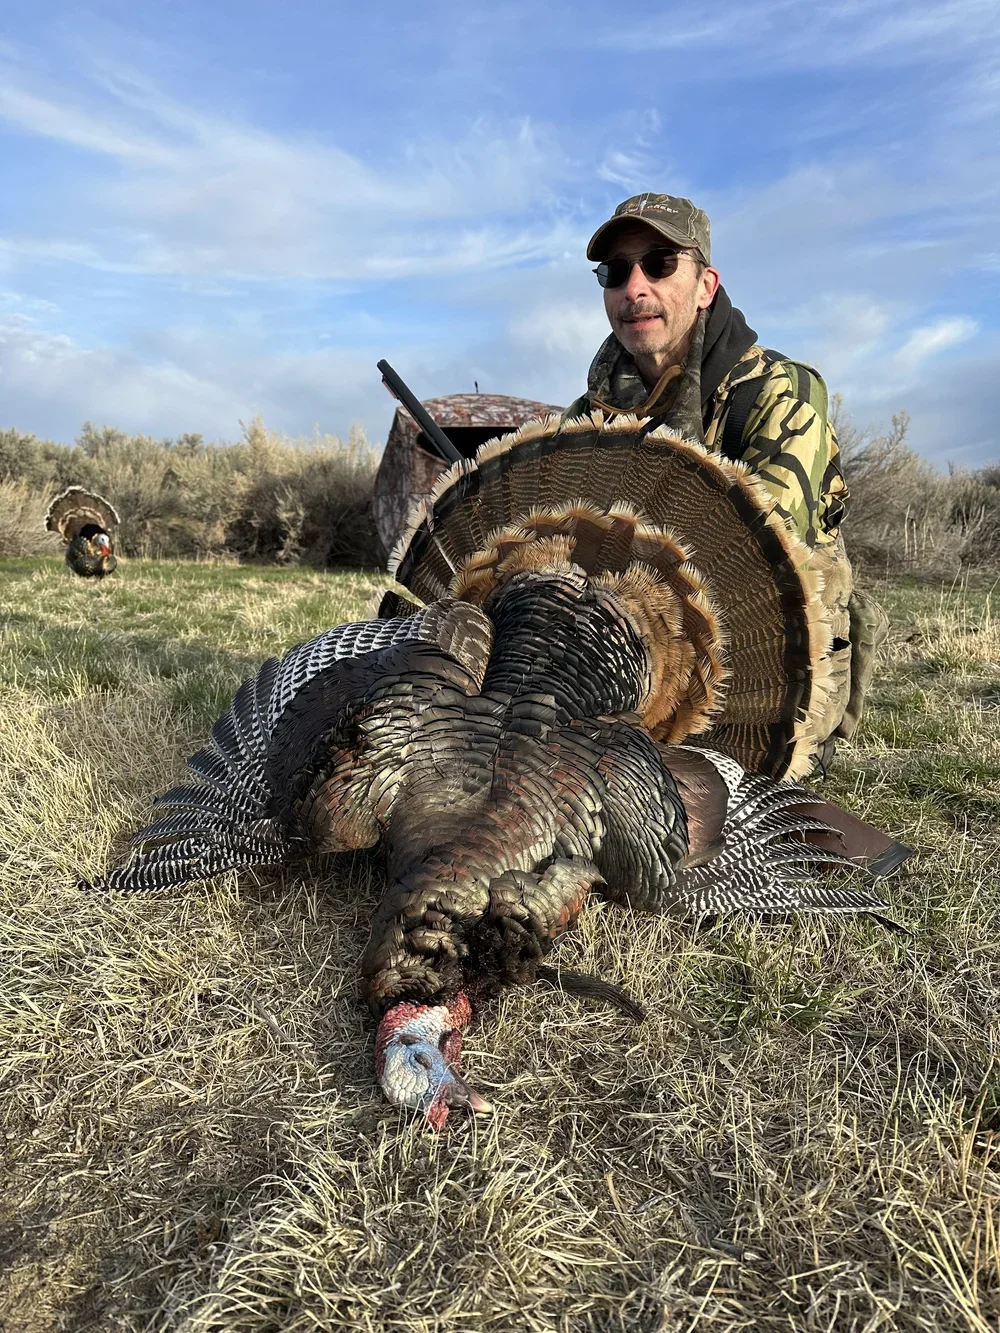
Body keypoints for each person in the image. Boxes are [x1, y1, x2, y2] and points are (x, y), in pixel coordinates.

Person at [563, 192, 887, 771]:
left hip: (768, 658)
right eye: (616, 271)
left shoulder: (780, 393)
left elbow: (758, 581)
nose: (635, 287)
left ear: (706, 285)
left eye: (660, 264)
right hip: (626, 644)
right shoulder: (591, 411)